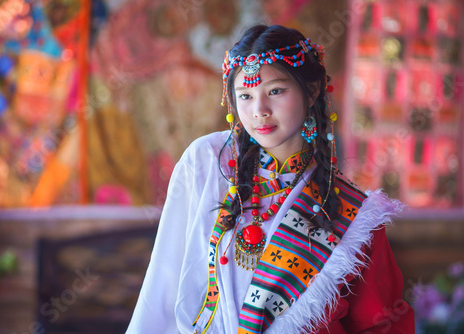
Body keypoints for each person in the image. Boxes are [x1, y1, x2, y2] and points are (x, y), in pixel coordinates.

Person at [126, 25, 415, 334]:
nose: (259, 111)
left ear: (313, 88)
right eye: (245, 96)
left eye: (275, 91)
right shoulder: (209, 162)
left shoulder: (354, 214)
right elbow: (164, 284)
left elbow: (382, 324)